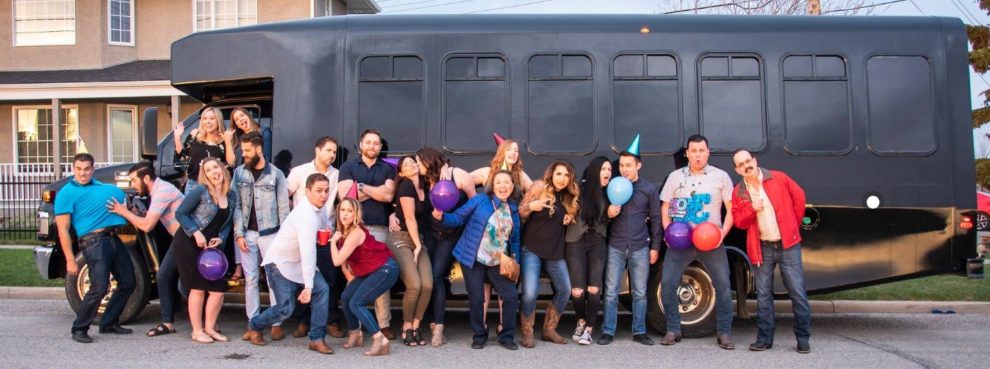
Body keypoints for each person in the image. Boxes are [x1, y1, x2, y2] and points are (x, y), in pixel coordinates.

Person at [730, 149, 811, 354]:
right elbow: (739, 221)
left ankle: (803, 339)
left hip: (788, 245)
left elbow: (799, 197)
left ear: (754, 160)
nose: (746, 166)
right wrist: (752, 208)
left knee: (797, 293)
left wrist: (793, 225)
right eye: (741, 164)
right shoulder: (739, 191)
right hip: (762, 247)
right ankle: (764, 339)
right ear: (737, 169)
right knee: (764, 295)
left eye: (748, 161)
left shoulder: (778, 178)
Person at [659, 135, 735, 349]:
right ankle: (673, 329)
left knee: (723, 286)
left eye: (701, 150)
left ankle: (725, 333)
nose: (698, 155)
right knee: (667, 284)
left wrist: (723, 233)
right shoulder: (675, 177)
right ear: (687, 153)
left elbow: (731, 210)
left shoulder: (721, 177)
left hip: (711, 241)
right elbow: (665, 207)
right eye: (693, 151)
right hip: (680, 241)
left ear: (708, 152)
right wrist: (668, 231)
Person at [244, 173, 335, 354]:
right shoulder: (305, 215)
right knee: (286, 309)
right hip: (280, 264)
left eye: (326, 191)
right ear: (307, 191)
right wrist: (308, 287)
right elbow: (307, 252)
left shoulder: (320, 208)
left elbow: (325, 225)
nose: (323, 195)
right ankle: (255, 325)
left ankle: (317, 338)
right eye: (318, 191)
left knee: (322, 289)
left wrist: (330, 232)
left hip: (299, 262)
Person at [432, 170, 521, 351]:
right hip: (474, 257)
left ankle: (507, 336)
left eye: (506, 183)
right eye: (498, 183)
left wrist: (515, 262)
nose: (503, 186)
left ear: (512, 186)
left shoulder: (513, 208)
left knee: (511, 296)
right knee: (477, 298)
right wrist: (442, 217)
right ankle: (479, 335)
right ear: (492, 186)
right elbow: (459, 217)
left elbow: (515, 240)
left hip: (499, 262)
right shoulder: (480, 201)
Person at [55, 153, 135, 344]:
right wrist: (70, 260)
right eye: (79, 169)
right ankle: (79, 328)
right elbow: (63, 230)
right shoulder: (66, 193)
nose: (83, 173)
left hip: (113, 237)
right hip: (93, 242)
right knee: (99, 286)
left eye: (87, 169)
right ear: (73, 169)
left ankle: (108, 323)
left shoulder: (100, 186)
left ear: (93, 168)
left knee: (128, 281)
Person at [106, 162, 184, 338]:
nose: (133, 185)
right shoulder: (158, 190)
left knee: (175, 279)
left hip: (185, 238)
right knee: (169, 277)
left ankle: (176, 322)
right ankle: (169, 321)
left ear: (146, 178)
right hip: (181, 238)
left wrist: (123, 212)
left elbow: (148, 225)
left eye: (134, 180)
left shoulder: (162, 191)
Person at [407, 147, 475, 347]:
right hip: (429, 234)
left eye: (419, 161)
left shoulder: (458, 175)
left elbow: (475, 204)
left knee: (436, 275)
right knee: (426, 278)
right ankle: (426, 322)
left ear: (428, 160)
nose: (416, 166)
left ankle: (438, 327)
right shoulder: (422, 181)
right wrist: (394, 214)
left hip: (451, 235)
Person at [337, 129, 397, 339]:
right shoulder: (348, 167)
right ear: (361, 145)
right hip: (353, 230)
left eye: (376, 143)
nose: (372, 146)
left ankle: (383, 323)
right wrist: (376, 191)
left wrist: (360, 186)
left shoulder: (388, 169)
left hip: (379, 229)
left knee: (379, 278)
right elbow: (346, 196)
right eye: (368, 142)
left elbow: (388, 195)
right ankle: (356, 326)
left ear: (380, 147)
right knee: (353, 277)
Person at [599, 148, 662, 346]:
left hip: (640, 246)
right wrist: (607, 214)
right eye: (622, 166)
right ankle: (608, 331)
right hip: (615, 246)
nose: (624, 169)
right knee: (610, 291)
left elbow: (656, 219)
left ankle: (639, 331)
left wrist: (656, 247)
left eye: (629, 165)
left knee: (640, 292)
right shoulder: (612, 187)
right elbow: (599, 218)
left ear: (638, 166)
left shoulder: (649, 189)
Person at [232, 132, 291, 340]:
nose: (244, 155)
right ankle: (253, 322)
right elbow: (236, 205)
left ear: (258, 149)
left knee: (274, 280)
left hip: (271, 234)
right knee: (251, 280)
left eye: (247, 151)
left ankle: (276, 322)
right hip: (247, 234)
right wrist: (238, 233)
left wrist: (284, 238)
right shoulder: (239, 173)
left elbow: (284, 209)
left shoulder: (276, 175)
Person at [286, 136, 346, 338]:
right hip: (301, 235)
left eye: (335, 152)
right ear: (317, 150)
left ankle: (331, 320)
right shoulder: (299, 172)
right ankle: (302, 321)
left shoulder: (337, 175)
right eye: (329, 150)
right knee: (303, 279)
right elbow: (283, 194)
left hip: (325, 235)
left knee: (329, 280)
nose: (332, 155)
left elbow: (342, 202)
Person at [172, 157, 237, 344]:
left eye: (216, 167)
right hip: (188, 243)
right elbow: (180, 213)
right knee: (198, 288)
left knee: (217, 290)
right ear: (205, 175)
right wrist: (195, 233)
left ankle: (210, 327)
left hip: (212, 248)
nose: (214, 173)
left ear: (222, 169)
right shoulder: (200, 191)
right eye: (208, 170)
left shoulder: (230, 195)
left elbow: (227, 224)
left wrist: (221, 238)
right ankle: (197, 331)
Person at [517, 160, 578, 348]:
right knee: (529, 293)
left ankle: (549, 329)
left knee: (565, 289)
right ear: (551, 174)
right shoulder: (539, 187)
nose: (562, 179)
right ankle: (527, 331)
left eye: (566, 175)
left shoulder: (569, 196)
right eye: (559, 174)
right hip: (532, 249)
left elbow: (568, 216)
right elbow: (520, 211)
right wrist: (531, 207)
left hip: (554, 251)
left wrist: (569, 217)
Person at [331, 198, 399, 356]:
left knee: (357, 303)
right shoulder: (344, 231)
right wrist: (349, 276)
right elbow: (344, 262)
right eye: (343, 210)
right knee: (347, 297)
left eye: (349, 211)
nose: (345, 214)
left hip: (385, 269)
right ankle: (356, 333)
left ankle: (380, 339)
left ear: (356, 214)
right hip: (370, 269)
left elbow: (337, 260)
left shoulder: (355, 232)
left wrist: (332, 242)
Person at [564, 156, 612, 345]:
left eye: (609, 169)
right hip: (575, 241)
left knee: (594, 289)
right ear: (594, 171)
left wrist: (610, 214)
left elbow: (608, 220)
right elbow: (566, 207)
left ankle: (589, 330)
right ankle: (581, 321)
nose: (607, 172)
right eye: (603, 169)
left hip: (597, 242)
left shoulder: (610, 193)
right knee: (577, 291)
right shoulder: (577, 190)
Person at [388, 156, 433, 346]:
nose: (411, 164)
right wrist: (417, 247)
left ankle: (416, 324)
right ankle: (406, 325)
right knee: (414, 284)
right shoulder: (406, 185)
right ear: (400, 173)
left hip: (418, 240)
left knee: (428, 285)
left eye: (412, 161)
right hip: (401, 239)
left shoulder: (427, 186)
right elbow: (410, 218)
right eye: (405, 164)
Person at [174, 107, 226, 192]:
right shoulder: (195, 134)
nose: (208, 122)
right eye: (205, 118)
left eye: (212, 118)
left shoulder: (223, 139)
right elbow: (182, 156)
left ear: (218, 120)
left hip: (215, 186)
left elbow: (229, 163)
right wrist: (177, 137)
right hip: (193, 184)